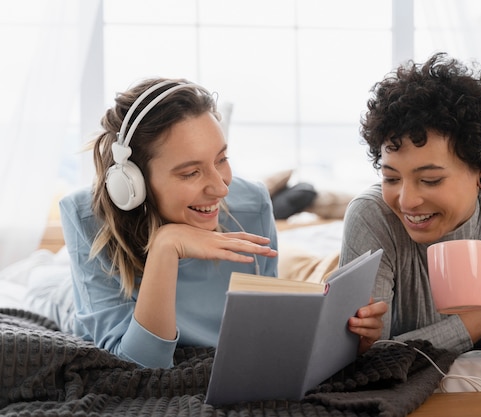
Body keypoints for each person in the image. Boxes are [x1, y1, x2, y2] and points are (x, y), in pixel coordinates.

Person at [59, 78, 387, 368]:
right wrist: (165, 247)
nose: (221, 188)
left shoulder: (252, 201)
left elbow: (264, 327)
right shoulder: (85, 218)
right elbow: (138, 364)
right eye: (190, 172)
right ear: (132, 182)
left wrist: (346, 341)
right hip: (67, 302)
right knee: (47, 285)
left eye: (222, 159)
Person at [340, 53, 481, 362]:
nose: (406, 201)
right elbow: (372, 361)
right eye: (391, 177)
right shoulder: (373, 216)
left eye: (430, 180)